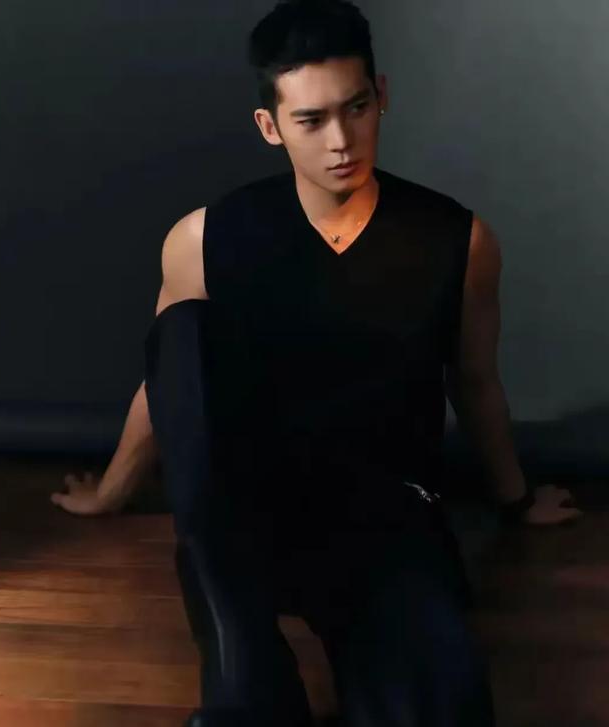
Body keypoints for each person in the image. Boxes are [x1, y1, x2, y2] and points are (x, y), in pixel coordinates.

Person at [51, 1, 583, 724]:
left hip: (385, 514)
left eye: (355, 108)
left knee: (440, 708)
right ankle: (247, 680)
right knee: (186, 331)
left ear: (381, 95)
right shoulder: (204, 238)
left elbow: (475, 380)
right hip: (248, 510)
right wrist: (112, 491)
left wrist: (515, 500)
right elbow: (172, 385)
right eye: (311, 120)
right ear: (270, 126)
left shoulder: (458, 239)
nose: (340, 140)